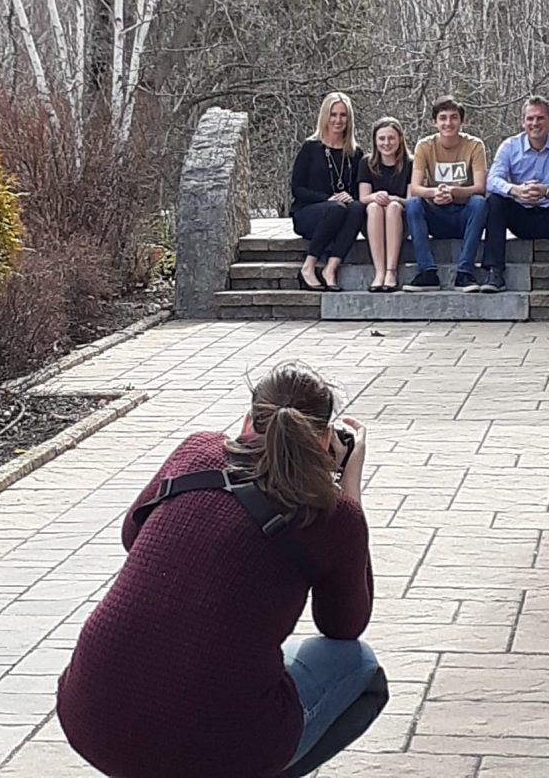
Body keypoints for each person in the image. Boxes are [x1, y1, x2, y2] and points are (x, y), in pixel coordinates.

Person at [56, 362, 386, 778]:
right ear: (325, 439)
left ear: (248, 421)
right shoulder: (333, 516)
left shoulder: (196, 451)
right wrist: (347, 487)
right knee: (358, 665)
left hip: (90, 717)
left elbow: (131, 535)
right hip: (214, 751)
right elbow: (344, 627)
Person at [481, 96, 549, 294]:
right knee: (494, 200)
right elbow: (492, 180)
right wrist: (515, 190)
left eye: (540, 118)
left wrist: (548, 189)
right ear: (522, 122)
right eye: (530, 119)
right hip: (522, 217)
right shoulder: (509, 147)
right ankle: (494, 272)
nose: (534, 123)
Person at [403, 97, 488, 292]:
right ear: (435, 122)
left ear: (461, 121)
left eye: (453, 118)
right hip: (437, 215)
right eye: (442, 118)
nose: (448, 123)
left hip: (463, 216)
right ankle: (427, 272)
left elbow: (480, 187)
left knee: (480, 202)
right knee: (414, 203)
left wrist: (455, 192)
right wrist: (434, 193)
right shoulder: (424, 146)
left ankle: (465, 272)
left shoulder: (475, 145)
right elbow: (415, 187)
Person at [290, 93, 365, 292]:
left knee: (357, 208)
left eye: (343, 115)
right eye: (333, 114)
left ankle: (330, 268)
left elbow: (361, 189)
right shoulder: (310, 148)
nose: (338, 120)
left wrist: (352, 196)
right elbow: (297, 189)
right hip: (309, 213)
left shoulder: (355, 153)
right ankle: (308, 266)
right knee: (336, 208)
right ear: (325, 116)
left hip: (340, 213)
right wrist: (328, 199)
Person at [358, 117, 412, 292]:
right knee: (373, 207)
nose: (386, 143)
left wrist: (395, 199)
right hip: (374, 222)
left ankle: (391, 271)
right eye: (382, 138)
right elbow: (363, 197)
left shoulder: (410, 163)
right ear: (375, 140)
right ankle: (379, 271)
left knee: (393, 207)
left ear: (400, 139)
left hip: (400, 221)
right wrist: (375, 196)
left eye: (391, 138)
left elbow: (412, 200)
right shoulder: (366, 163)